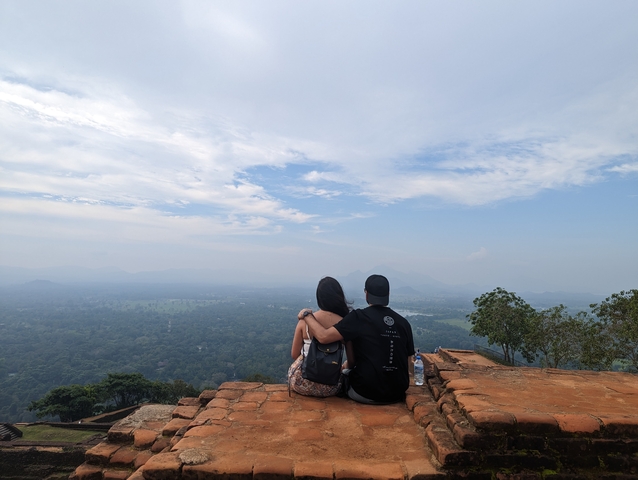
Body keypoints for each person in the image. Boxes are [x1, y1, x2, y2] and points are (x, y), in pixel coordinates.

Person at [299, 274, 415, 404]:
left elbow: (323, 337)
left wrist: (307, 315)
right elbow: (408, 362)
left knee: (345, 374)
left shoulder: (358, 317)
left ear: (366, 294)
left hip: (364, 391)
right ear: (388, 294)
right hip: (397, 392)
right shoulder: (403, 323)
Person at [288, 277, 353, 397]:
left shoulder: (305, 321)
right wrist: (342, 367)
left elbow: (294, 354)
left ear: (319, 298)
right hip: (331, 386)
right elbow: (352, 360)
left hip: (302, 383)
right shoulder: (345, 324)